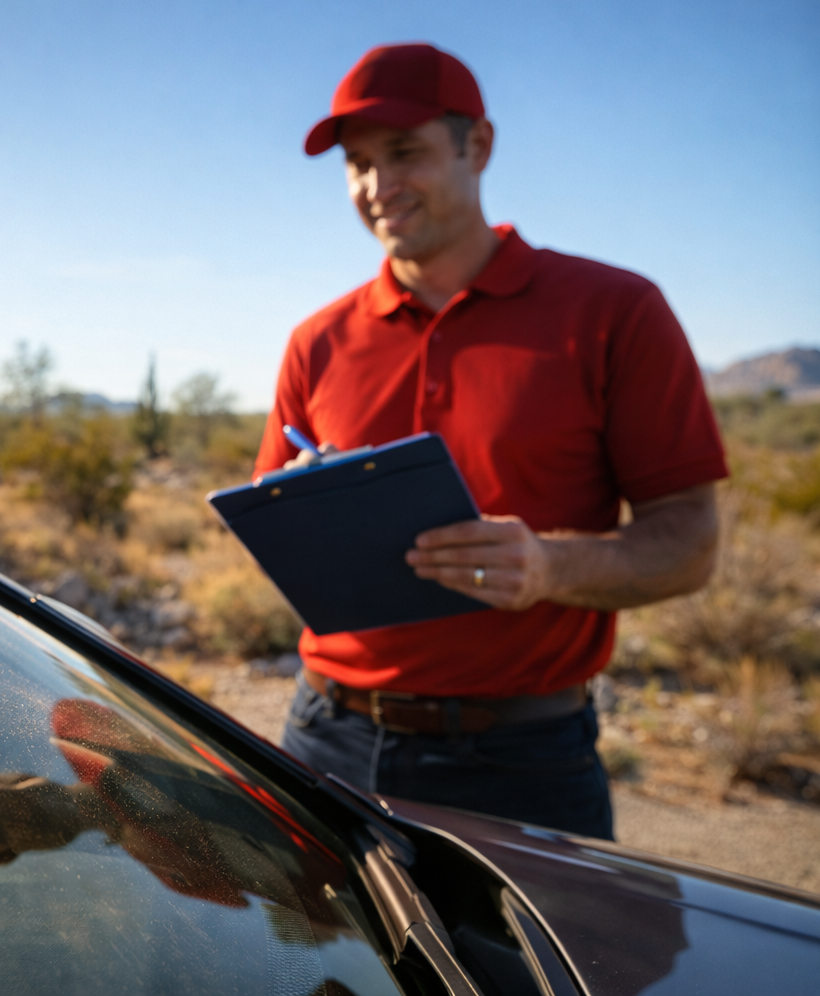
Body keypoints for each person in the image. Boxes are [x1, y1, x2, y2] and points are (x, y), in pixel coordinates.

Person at [259, 43, 726, 839]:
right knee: (318, 968)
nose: (378, 188)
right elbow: (266, 518)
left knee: (538, 972)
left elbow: (689, 542)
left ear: (478, 146)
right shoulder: (318, 340)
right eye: (357, 163)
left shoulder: (615, 312)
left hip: (523, 761)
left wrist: (549, 566)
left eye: (405, 153)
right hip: (323, 738)